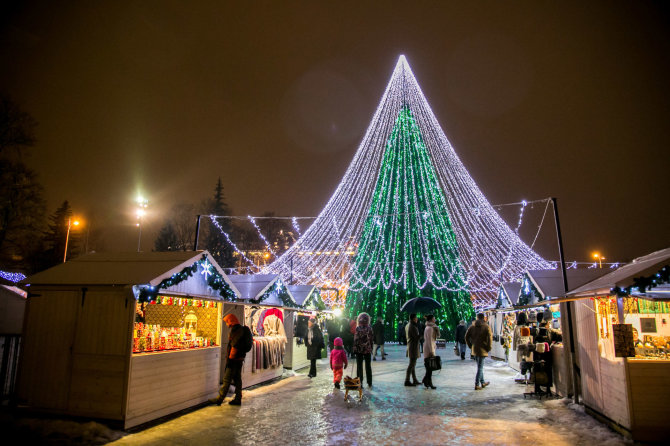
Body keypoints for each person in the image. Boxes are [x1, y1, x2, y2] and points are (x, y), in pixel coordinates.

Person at [210, 313, 250, 406]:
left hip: (234, 359)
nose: (226, 324)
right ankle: (238, 398)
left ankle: (220, 399)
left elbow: (234, 345)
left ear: (230, 321)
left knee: (227, 379)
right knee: (237, 379)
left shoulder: (235, 330)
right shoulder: (240, 329)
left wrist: (230, 359)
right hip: (240, 358)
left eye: (227, 322)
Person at [465, 313, 492, 390]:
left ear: (477, 318)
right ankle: (477, 384)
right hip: (483, 349)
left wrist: (470, 345)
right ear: (483, 318)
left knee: (479, 366)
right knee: (480, 367)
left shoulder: (472, 327)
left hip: (475, 349)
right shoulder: (486, 327)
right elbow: (490, 339)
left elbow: (466, 337)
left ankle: (482, 382)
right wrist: (488, 348)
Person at [353, 312, 374, 388]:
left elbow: (356, 340)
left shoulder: (358, 329)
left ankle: (360, 382)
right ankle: (369, 382)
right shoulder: (369, 328)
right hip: (367, 350)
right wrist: (371, 348)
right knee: (368, 366)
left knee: (359, 366)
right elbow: (371, 339)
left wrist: (354, 349)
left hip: (359, 350)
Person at [422, 314, 440, 389]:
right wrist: (432, 351)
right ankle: (428, 382)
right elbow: (429, 341)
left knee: (429, 367)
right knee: (429, 367)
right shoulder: (429, 328)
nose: (435, 319)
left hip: (430, 347)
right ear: (430, 320)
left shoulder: (432, 327)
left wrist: (437, 329)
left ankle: (427, 381)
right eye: (434, 318)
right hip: (429, 349)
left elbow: (436, 337)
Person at [404, 314, 421, 386]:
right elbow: (416, 338)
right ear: (413, 318)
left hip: (411, 346)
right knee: (411, 364)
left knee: (413, 364)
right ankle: (407, 380)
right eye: (416, 317)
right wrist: (422, 334)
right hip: (413, 347)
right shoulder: (412, 326)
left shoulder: (408, 325)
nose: (417, 319)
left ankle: (414, 379)